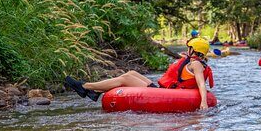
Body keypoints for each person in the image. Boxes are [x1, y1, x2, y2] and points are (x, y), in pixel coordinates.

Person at [65, 38, 214, 110]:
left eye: (190, 47)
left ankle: (86, 87)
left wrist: (203, 103)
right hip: (164, 90)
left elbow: (201, 84)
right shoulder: (192, 62)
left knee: (126, 78)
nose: (187, 49)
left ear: (194, 50)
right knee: (132, 72)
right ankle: (94, 92)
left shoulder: (196, 64)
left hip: (168, 93)